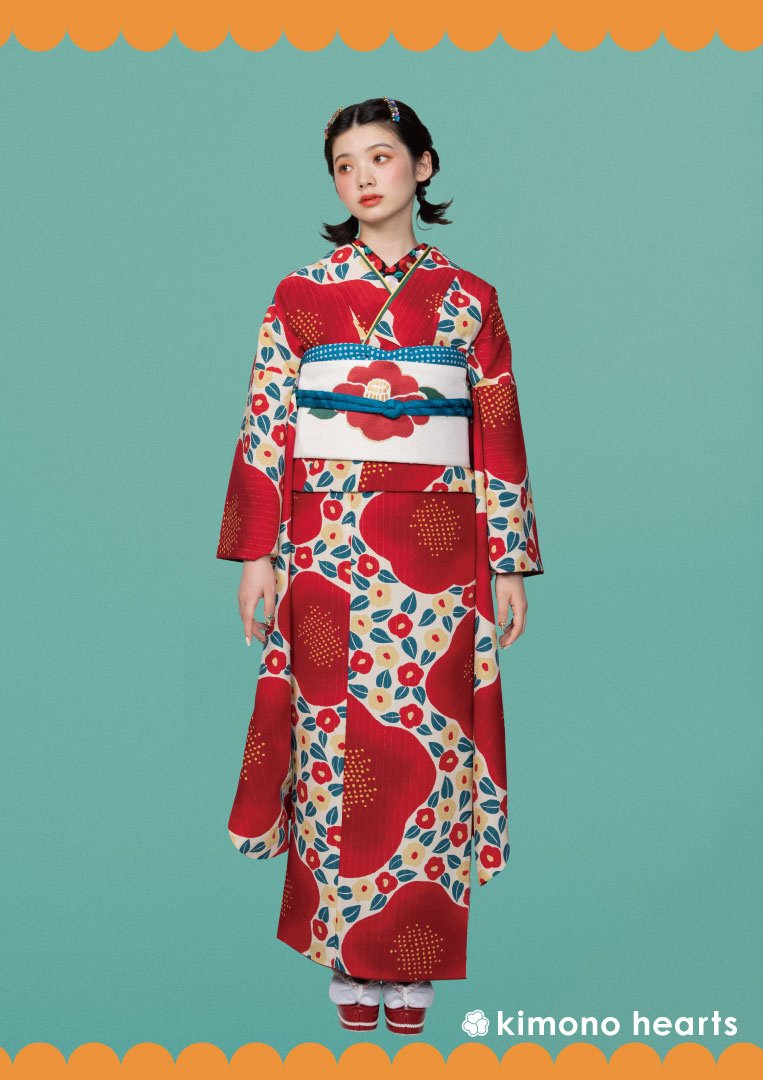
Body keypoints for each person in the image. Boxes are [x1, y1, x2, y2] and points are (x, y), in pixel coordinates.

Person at [216, 96, 544, 1035]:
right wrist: (256, 554)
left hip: (438, 548)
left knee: (428, 744)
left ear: (423, 166)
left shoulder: (470, 297)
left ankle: (413, 957)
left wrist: (506, 559)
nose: (363, 177)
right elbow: (267, 420)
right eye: (344, 165)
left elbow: (496, 428)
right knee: (330, 743)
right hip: (324, 543)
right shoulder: (300, 294)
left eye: (381, 156)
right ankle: (342, 950)